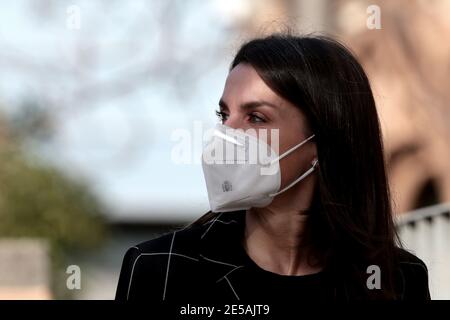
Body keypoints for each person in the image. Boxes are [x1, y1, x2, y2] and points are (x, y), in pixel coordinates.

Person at [115, 33, 431, 303]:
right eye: (224, 115)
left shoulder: (398, 281)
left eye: (256, 117)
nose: (227, 134)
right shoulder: (160, 269)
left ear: (322, 141)